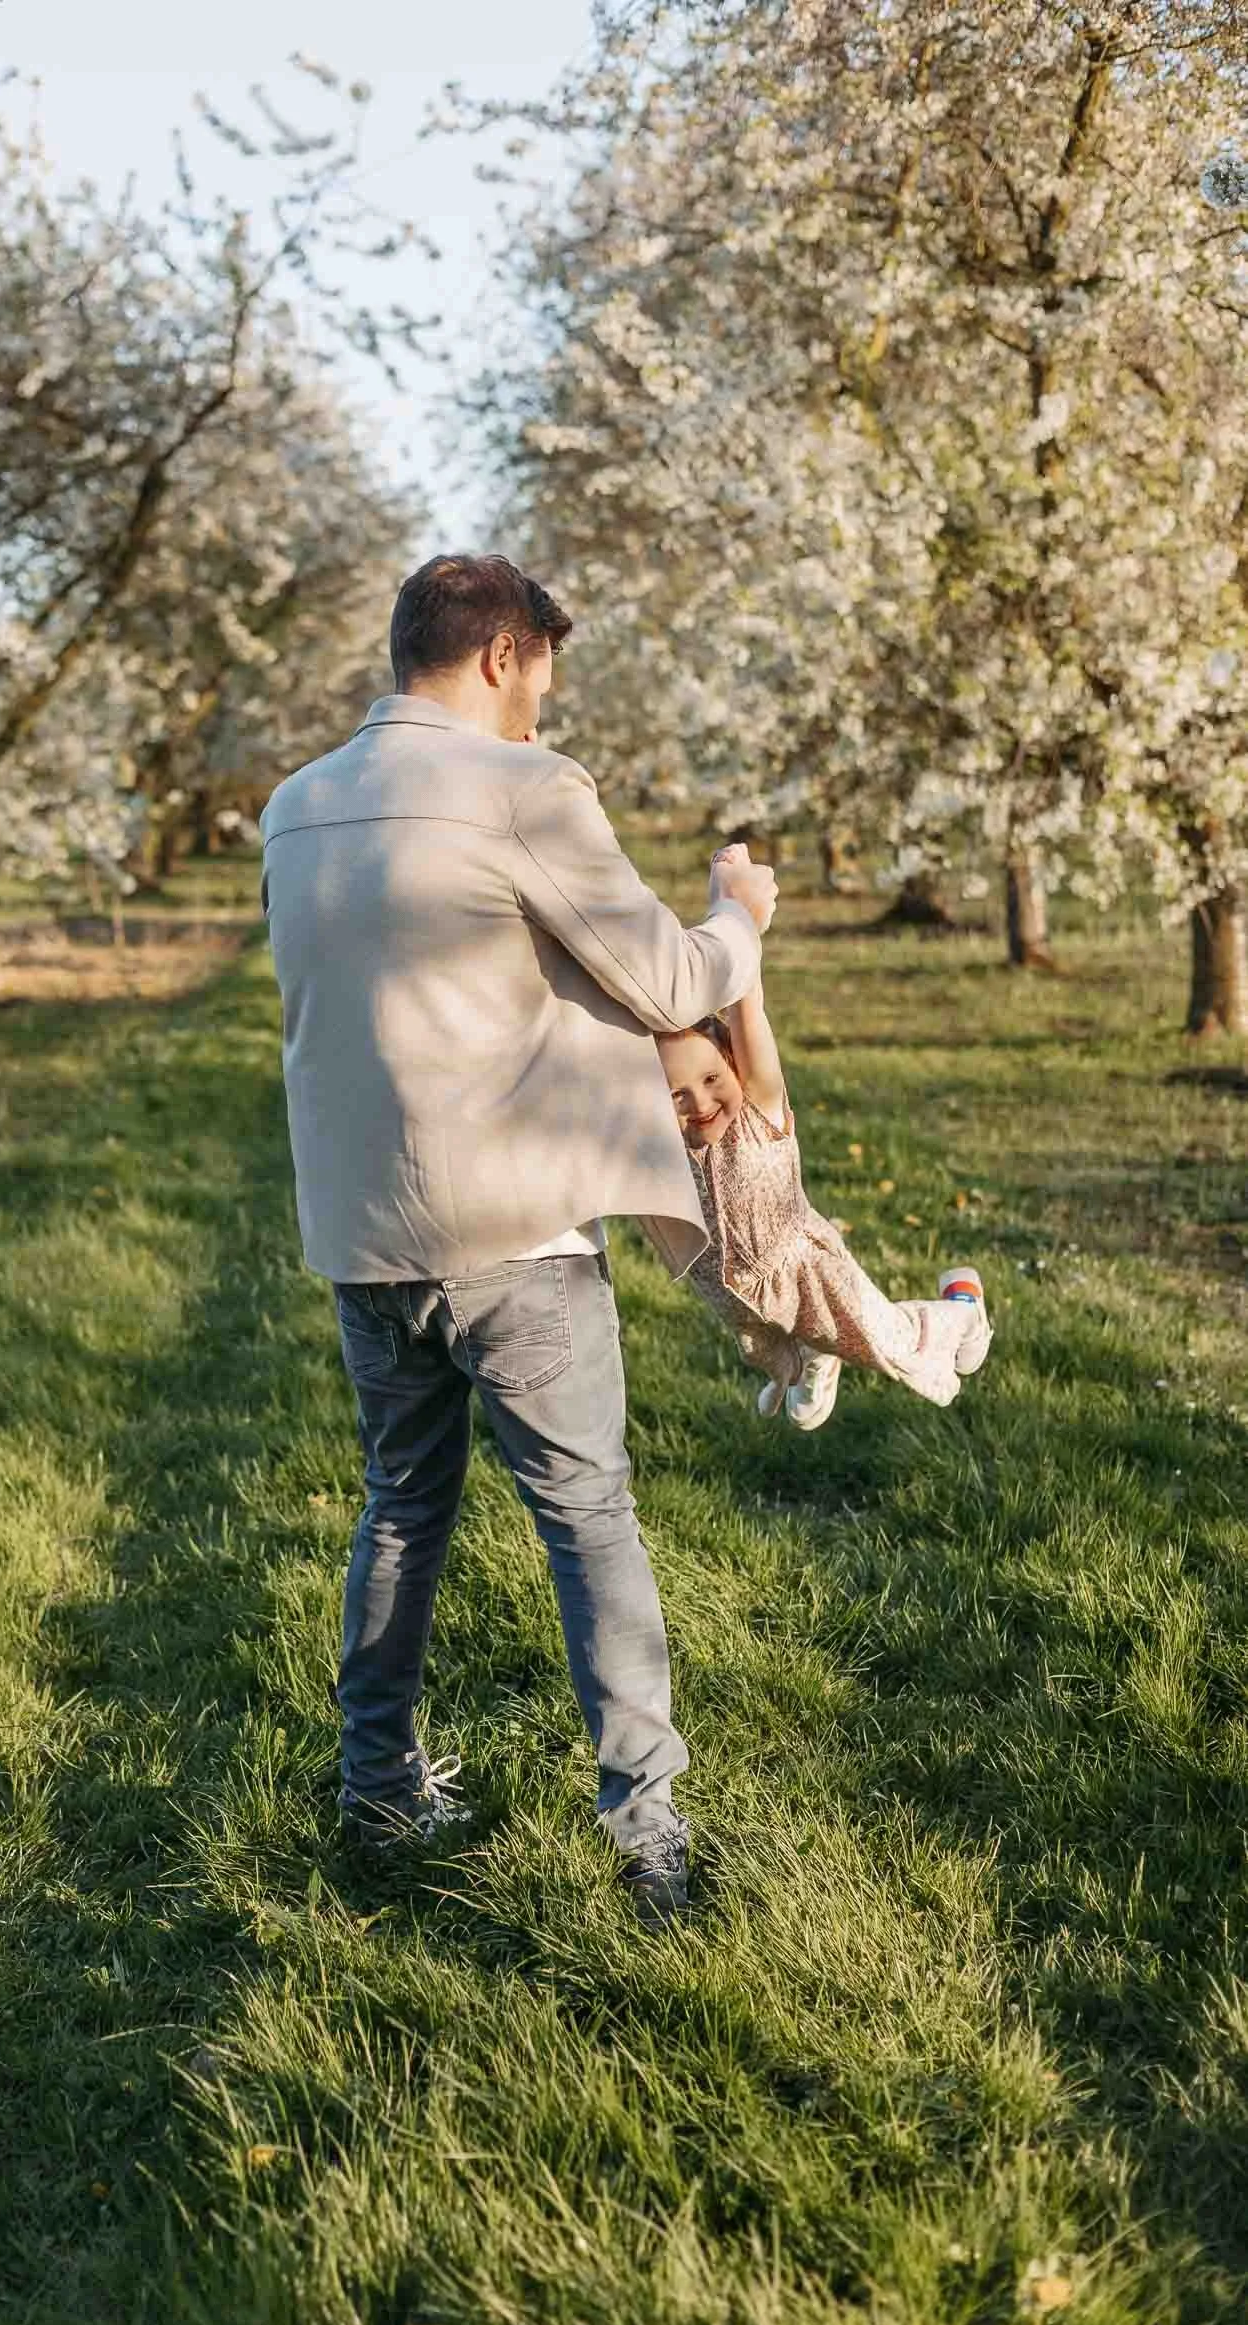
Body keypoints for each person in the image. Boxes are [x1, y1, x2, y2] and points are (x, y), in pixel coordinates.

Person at [260, 551, 777, 1925]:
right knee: (585, 1515)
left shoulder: (295, 805)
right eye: (542, 669)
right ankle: (646, 1830)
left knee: (398, 1509)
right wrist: (741, 917)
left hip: (362, 1236)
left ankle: (374, 1791)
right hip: (514, 1232)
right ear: (499, 655)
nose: (544, 701)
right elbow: (664, 972)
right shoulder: (522, 789)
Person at [649, 983, 991, 1430]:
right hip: (739, 1296)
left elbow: (747, 1009)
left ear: (735, 1064)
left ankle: (964, 1303)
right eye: (677, 1094)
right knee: (773, 1351)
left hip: (808, 1271)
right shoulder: (663, 1150)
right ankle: (813, 1356)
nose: (699, 1103)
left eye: (712, 1079)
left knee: (893, 1342)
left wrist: (738, 928)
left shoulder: (761, 1111)